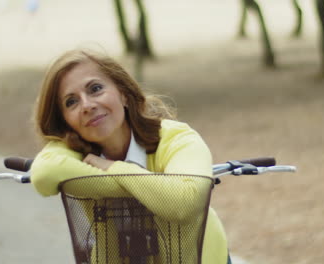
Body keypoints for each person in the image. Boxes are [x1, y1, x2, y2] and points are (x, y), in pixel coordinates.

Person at [30, 48, 230, 263]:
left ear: (123, 93)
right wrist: (133, 186)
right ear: (65, 121)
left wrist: (115, 168)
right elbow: (43, 175)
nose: (87, 105)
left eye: (95, 89)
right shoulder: (74, 149)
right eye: (71, 102)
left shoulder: (176, 138)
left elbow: (184, 203)